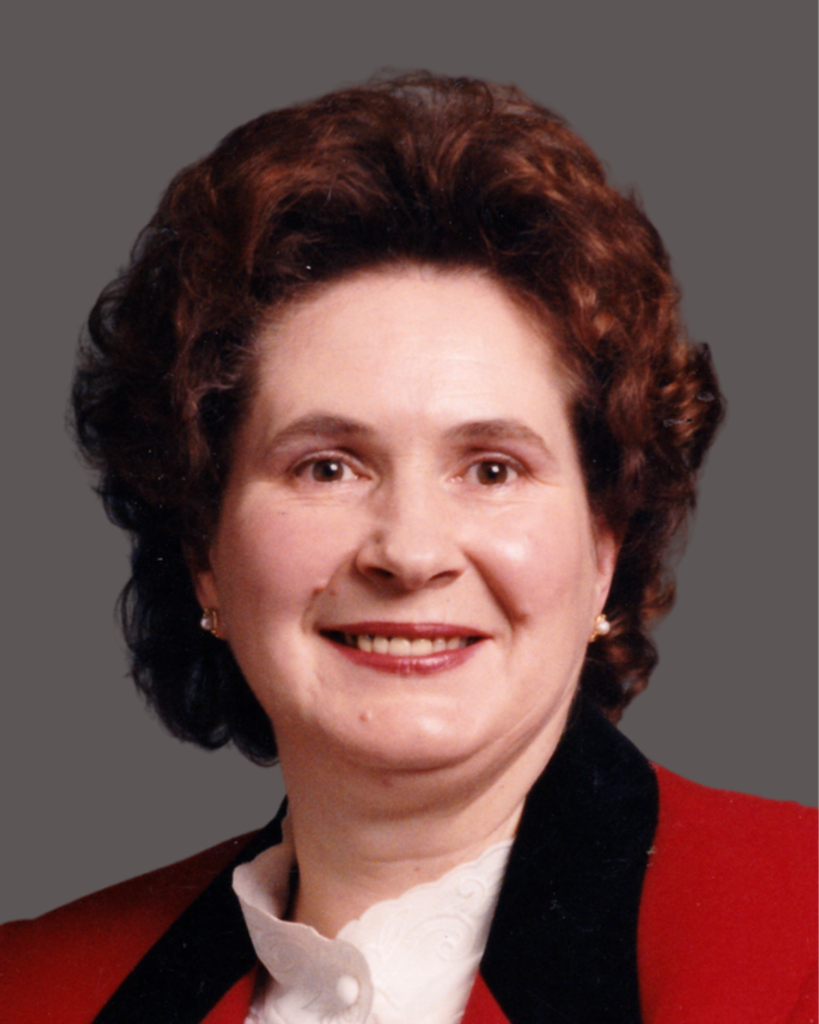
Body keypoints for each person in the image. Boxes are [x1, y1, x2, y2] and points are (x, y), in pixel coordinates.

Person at [1, 73, 816, 1024]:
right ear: (203, 552)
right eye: (327, 467)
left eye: (492, 469)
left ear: (605, 544)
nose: (410, 552)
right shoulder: (31, 992)